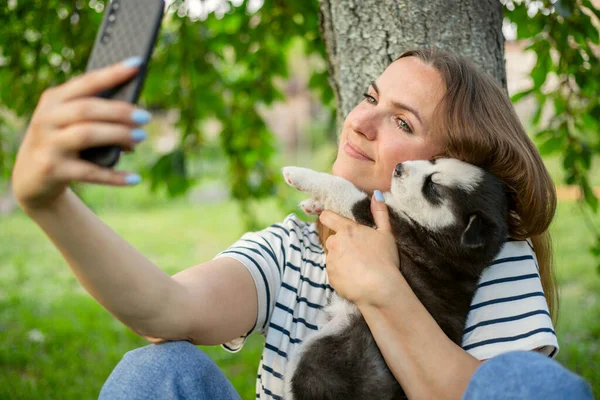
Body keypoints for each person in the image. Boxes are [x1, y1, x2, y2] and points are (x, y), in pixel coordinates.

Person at [11, 49, 592, 400]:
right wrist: (49, 203)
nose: (360, 120)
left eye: (402, 121)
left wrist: (382, 288)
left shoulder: (494, 258)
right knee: (158, 371)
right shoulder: (294, 244)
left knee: (535, 389)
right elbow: (165, 311)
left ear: (454, 168)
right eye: (370, 96)